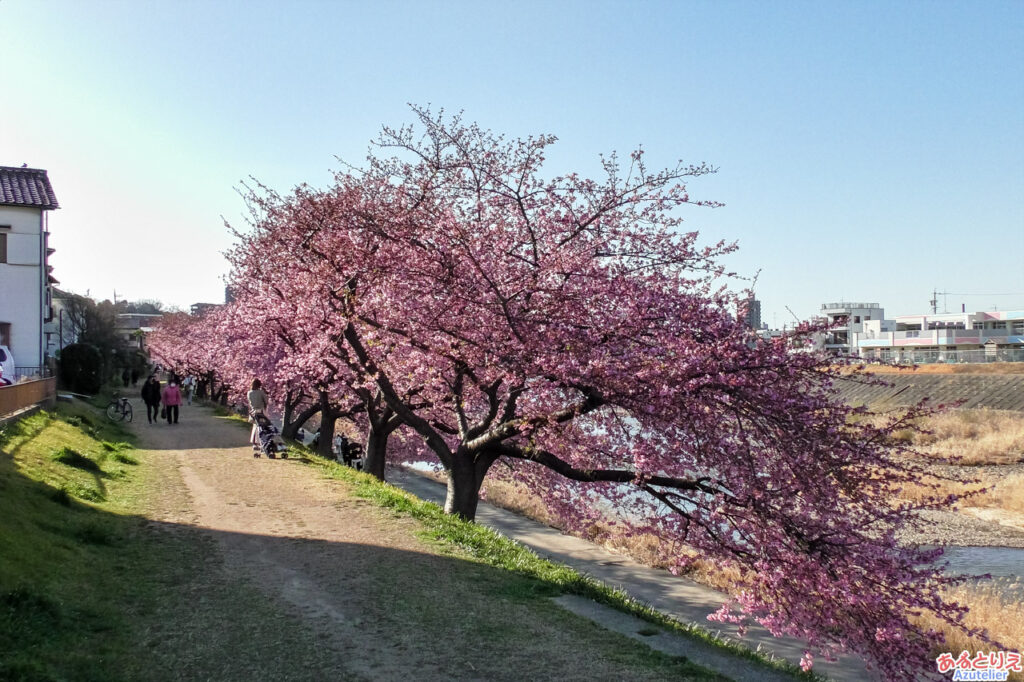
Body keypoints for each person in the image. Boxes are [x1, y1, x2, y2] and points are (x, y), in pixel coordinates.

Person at [247, 379, 269, 446]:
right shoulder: (261, 392)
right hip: (261, 411)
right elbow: (266, 401)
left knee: (255, 426)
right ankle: (260, 441)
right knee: (262, 427)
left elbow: (249, 402)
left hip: (253, 411)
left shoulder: (249, 393)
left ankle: (254, 442)